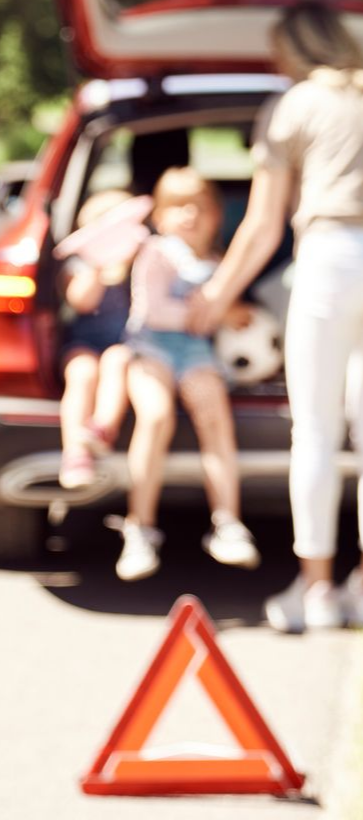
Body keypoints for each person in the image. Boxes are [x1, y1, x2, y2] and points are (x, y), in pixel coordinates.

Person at [187, 0, 363, 631]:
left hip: (337, 256)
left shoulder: (295, 104)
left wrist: (217, 292)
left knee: (317, 429)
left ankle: (317, 592)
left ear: (295, 49)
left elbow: (265, 225)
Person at [116, 166, 261, 581]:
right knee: (156, 415)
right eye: (178, 207)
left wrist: (228, 314)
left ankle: (228, 524)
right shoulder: (156, 253)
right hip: (149, 349)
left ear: (217, 215)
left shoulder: (218, 263)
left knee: (214, 415)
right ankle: (139, 527)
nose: (189, 216)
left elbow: (233, 315)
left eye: (199, 207)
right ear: (159, 216)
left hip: (197, 354)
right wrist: (207, 315)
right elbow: (153, 310)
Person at [58, 190, 137, 489]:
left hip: (125, 343)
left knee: (117, 361)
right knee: (82, 373)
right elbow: (81, 301)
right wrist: (98, 263)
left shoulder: (141, 258)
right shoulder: (79, 264)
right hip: (84, 343)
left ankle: (102, 429)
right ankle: (75, 454)